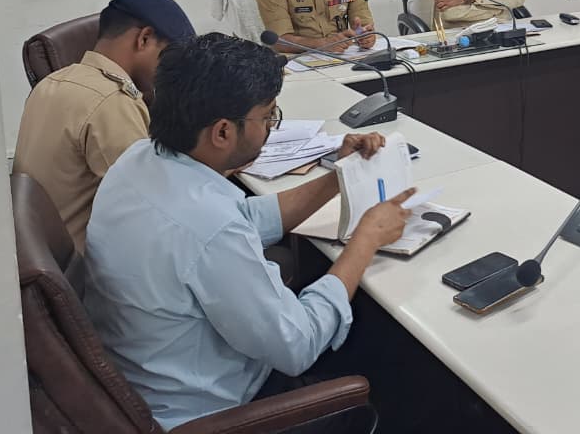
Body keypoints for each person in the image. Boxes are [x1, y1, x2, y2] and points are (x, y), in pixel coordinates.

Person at [84, 33, 413, 429]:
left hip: (153, 379)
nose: (271, 126)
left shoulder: (139, 159)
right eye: (268, 116)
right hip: (215, 415)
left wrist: (337, 176)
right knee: (397, 357)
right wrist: (366, 239)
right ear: (223, 132)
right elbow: (299, 346)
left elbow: (244, 219)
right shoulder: (209, 227)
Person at [12, 0, 194, 252]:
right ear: (144, 39)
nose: (170, 72)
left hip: (44, 254)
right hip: (89, 266)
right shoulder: (110, 101)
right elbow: (156, 211)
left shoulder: (53, 81)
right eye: (169, 57)